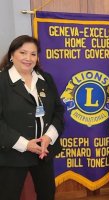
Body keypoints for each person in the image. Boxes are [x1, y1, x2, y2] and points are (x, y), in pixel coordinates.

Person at [0, 35, 64, 200]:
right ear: (12, 55)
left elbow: (58, 111)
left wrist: (49, 137)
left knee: (47, 194)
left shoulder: (46, 79)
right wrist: (25, 144)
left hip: (43, 151)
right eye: (23, 52)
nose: (28, 58)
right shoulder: (2, 82)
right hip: (12, 153)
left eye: (33, 54)